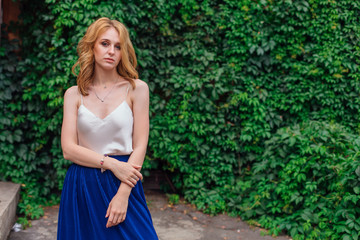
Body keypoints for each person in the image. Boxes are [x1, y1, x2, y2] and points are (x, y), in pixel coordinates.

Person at [57, 17, 159, 240]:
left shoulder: (137, 89)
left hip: (124, 181)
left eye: (118, 46)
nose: (111, 51)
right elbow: (68, 149)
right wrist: (111, 164)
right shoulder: (73, 94)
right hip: (82, 185)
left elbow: (141, 145)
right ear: (92, 46)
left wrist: (123, 193)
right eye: (105, 43)